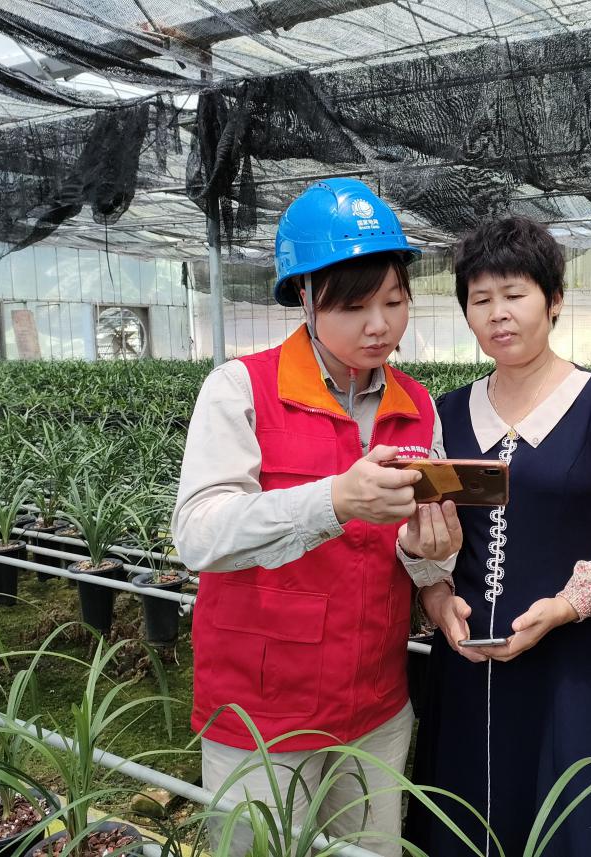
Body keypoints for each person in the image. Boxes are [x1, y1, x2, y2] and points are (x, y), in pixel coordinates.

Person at [172, 178, 461, 857]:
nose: (379, 325)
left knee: (370, 849)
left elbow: (415, 544)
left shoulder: (417, 405)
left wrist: (432, 561)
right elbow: (199, 533)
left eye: (394, 301)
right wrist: (332, 500)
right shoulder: (241, 390)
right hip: (262, 708)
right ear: (304, 297)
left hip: (375, 700)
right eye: (353, 306)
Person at [404, 217, 591, 856]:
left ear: (554, 300)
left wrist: (567, 605)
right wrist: (436, 596)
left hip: (574, 664)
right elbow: (422, 528)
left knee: (577, 822)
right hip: (466, 661)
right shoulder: (446, 414)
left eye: (515, 294)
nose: (498, 313)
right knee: (466, 819)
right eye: (480, 299)